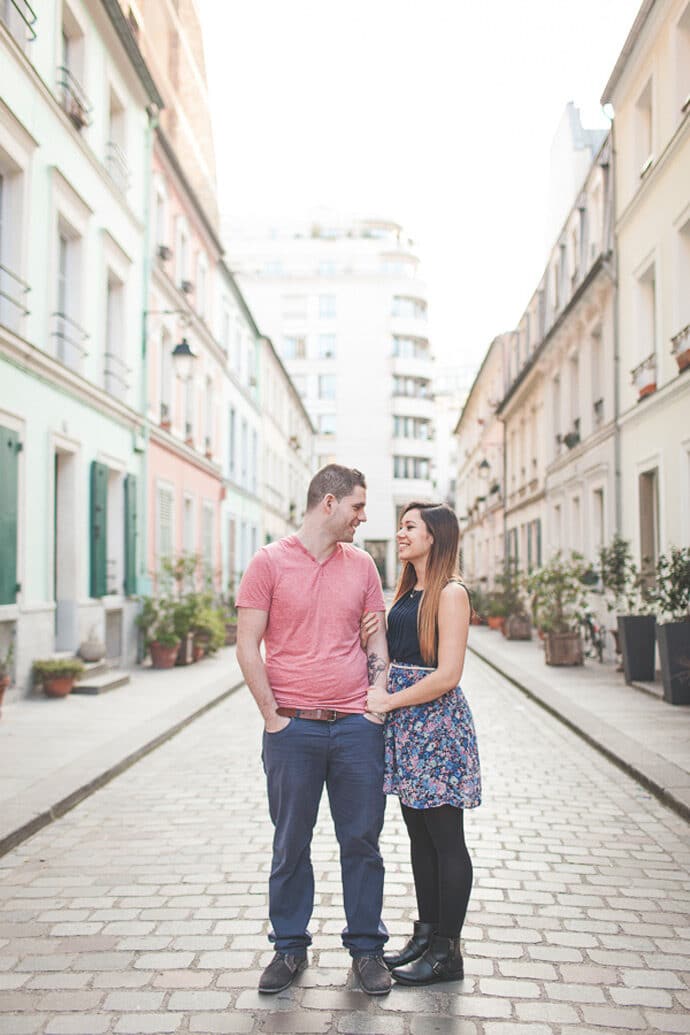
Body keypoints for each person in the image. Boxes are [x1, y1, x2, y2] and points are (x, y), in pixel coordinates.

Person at [236, 464, 392, 997]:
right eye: (356, 507)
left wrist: (375, 707)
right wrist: (271, 717)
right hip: (293, 730)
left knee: (363, 843)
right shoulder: (268, 563)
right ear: (328, 503)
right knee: (290, 843)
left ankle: (367, 951)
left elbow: (377, 645)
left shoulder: (364, 565)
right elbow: (246, 645)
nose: (362, 517)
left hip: (355, 728)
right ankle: (289, 947)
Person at [364, 501, 481, 986]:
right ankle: (426, 935)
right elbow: (399, 658)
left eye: (410, 526)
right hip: (409, 729)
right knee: (418, 838)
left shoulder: (451, 593)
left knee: (445, 838)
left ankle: (447, 953)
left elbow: (448, 675)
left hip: (436, 728)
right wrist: (370, 633)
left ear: (435, 535)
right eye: (401, 525)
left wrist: (390, 703)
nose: (400, 532)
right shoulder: (409, 592)